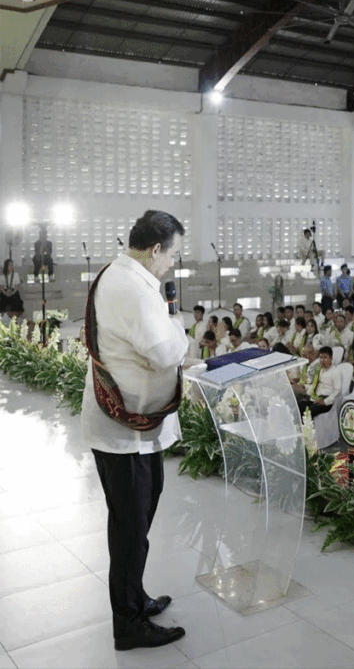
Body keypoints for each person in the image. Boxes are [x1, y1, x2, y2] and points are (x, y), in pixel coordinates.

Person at [81, 210, 188, 650]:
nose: (173, 265)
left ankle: (136, 597)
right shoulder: (131, 286)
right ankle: (128, 623)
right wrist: (180, 331)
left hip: (137, 428)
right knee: (129, 527)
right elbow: (166, 352)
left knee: (138, 521)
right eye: (173, 255)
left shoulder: (128, 276)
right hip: (124, 432)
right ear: (155, 249)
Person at [296, 347, 343, 417]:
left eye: (325, 357)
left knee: (309, 412)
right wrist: (304, 387)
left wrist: (325, 401)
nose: (322, 360)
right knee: (299, 405)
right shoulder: (319, 370)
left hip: (326, 401)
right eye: (321, 358)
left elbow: (338, 391)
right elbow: (314, 385)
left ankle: (308, 427)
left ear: (331, 359)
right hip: (315, 399)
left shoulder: (335, 372)